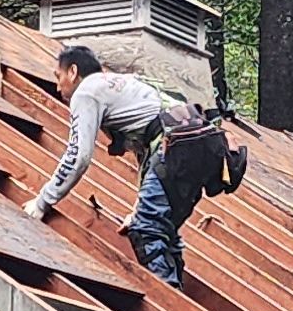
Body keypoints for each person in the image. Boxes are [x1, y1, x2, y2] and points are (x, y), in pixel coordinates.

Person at [23, 42, 228, 289]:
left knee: (147, 229)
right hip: (202, 144)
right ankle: (175, 291)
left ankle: (167, 295)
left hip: (176, 148)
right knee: (163, 230)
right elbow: (148, 153)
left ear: (73, 72)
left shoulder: (87, 91)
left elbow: (78, 156)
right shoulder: (126, 84)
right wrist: (139, 207)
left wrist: (43, 202)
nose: (58, 87)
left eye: (59, 77)